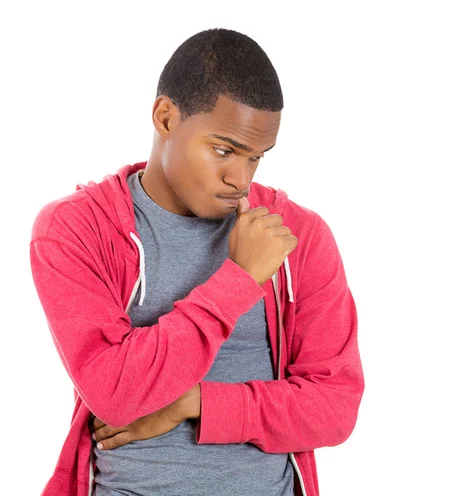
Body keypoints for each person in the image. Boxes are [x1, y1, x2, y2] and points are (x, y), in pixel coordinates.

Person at [29, 28, 364, 496]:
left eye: (256, 158)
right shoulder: (77, 228)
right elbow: (116, 393)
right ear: (165, 117)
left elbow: (335, 407)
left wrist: (195, 402)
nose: (239, 180)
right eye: (223, 150)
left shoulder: (296, 237)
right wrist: (239, 279)